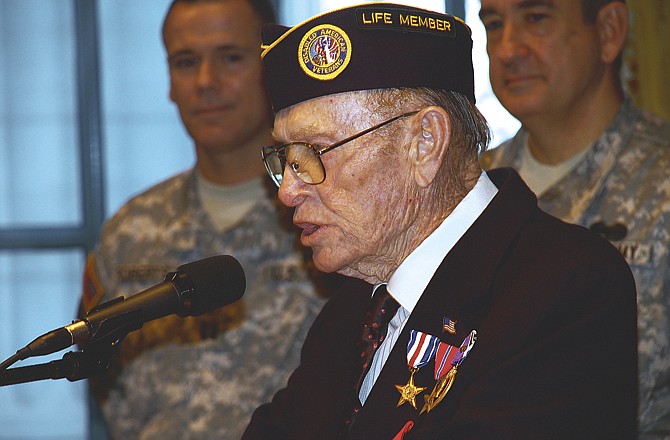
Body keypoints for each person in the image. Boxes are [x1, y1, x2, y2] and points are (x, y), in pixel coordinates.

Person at [241, 3, 638, 439]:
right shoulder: (354, 310)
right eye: (286, 159)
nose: (287, 191)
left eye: (315, 153)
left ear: (425, 144)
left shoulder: (565, 288)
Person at [78, 0, 328, 438]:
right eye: (186, 62)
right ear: (169, 83)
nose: (206, 83)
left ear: (272, 68)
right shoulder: (130, 231)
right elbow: (98, 371)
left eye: (230, 57)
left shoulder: (325, 212)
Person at [477, 0, 670, 436]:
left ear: (608, 32)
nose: (507, 49)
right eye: (493, 24)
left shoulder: (660, 184)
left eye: (536, 18)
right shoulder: (465, 191)